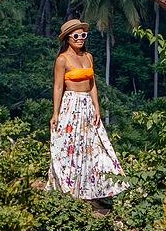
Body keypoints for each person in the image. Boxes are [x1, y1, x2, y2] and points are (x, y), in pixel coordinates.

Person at [47, 18, 128, 201]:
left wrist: (97, 108)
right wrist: (55, 113)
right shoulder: (62, 59)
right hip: (71, 104)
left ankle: (93, 190)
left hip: (87, 106)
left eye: (83, 35)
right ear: (67, 38)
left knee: (93, 145)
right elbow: (58, 87)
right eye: (76, 35)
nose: (80, 38)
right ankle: (67, 190)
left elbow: (92, 85)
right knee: (70, 144)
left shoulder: (88, 56)